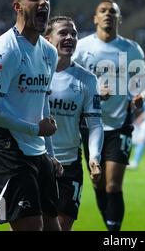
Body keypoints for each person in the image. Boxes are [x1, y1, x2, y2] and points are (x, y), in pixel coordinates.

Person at [0, 0, 63, 231]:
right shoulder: (5, 51)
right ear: (17, 7)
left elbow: (42, 104)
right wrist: (35, 130)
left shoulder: (49, 52)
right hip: (5, 149)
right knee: (31, 226)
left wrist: (50, 152)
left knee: (53, 225)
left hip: (36, 150)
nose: (43, 2)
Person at [73, 0, 145, 231]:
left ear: (119, 19)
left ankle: (114, 233)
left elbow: (143, 81)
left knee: (113, 185)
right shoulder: (82, 48)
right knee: (99, 183)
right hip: (89, 123)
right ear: (95, 18)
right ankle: (111, 226)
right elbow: (69, 81)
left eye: (112, 12)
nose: (107, 14)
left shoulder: (131, 49)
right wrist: (94, 93)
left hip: (120, 123)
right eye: (102, 11)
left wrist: (140, 95)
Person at [44, 16, 103, 231]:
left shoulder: (87, 79)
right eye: (63, 33)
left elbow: (95, 123)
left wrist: (94, 158)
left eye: (74, 34)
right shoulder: (36, 73)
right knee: (30, 224)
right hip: (36, 161)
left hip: (69, 164)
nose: (69, 37)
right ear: (48, 39)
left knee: (62, 225)